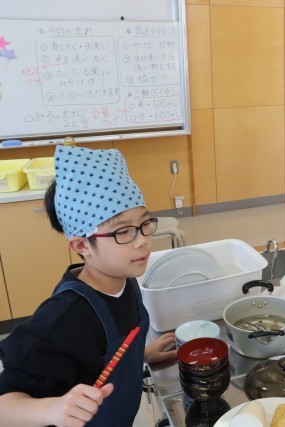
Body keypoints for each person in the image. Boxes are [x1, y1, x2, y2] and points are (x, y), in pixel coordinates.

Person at [0, 146, 177, 426]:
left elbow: (101, 356)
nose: (142, 240)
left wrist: (140, 356)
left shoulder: (123, 276)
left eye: (145, 224)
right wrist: (52, 409)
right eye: (123, 232)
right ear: (82, 245)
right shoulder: (64, 318)